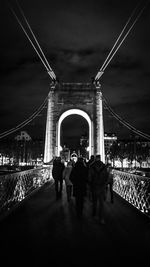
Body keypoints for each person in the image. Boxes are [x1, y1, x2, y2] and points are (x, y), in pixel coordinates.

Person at [88, 154, 109, 224]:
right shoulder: (104, 166)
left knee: (94, 202)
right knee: (101, 203)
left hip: (94, 187)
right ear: (100, 158)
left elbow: (89, 178)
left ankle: (94, 215)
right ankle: (101, 218)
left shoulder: (91, 166)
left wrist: (89, 186)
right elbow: (107, 177)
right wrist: (105, 185)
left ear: (95, 159)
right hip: (102, 187)